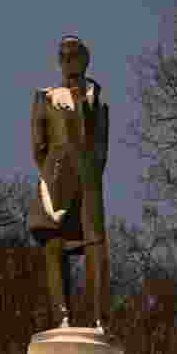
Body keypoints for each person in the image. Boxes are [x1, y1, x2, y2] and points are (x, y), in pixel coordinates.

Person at [28, 35, 111, 330]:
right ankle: (61, 315)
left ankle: (100, 318)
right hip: (57, 176)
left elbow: (102, 148)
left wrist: (88, 173)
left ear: (85, 59)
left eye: (73, 55)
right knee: (54, 243)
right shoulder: (46, 98)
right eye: (63, 56)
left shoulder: (97, 100)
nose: (67, 61)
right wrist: (55, 172)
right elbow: (38, 146)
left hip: (89, 180)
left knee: (95, 246)